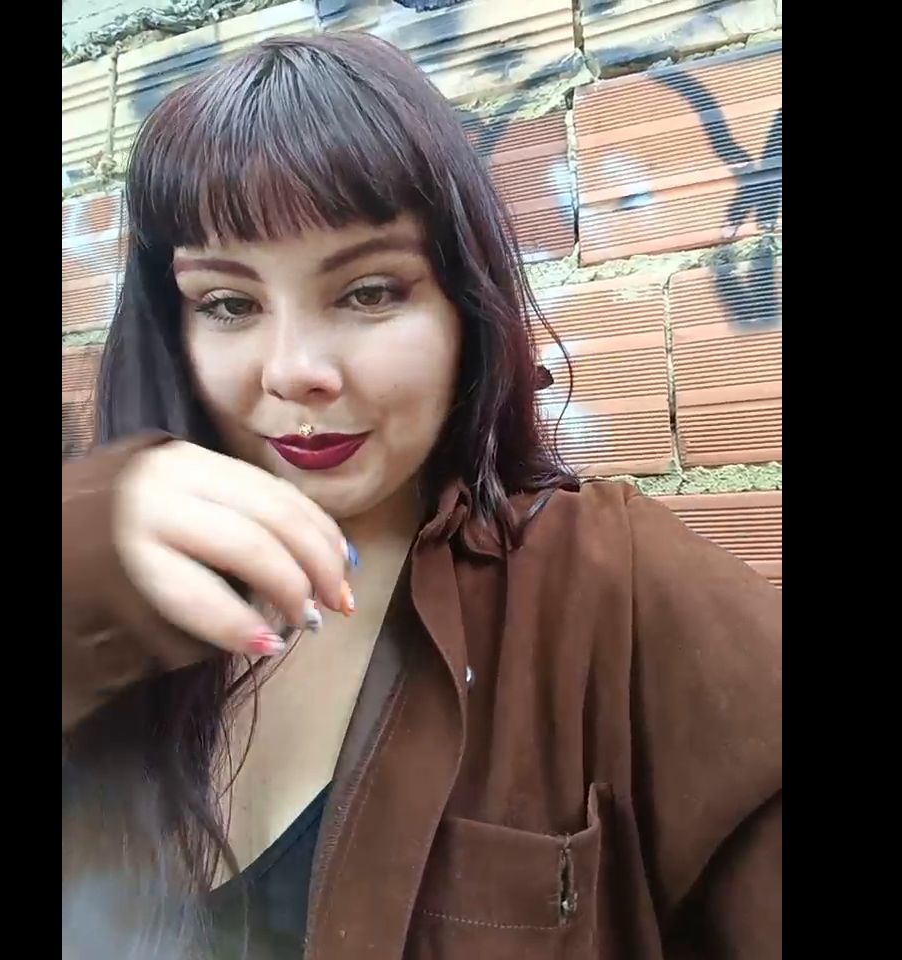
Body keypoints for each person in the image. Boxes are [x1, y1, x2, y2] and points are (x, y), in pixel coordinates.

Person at [61, 32, 782, 960]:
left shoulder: (611, 590)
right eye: (230, 304)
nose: (295, 370)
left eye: (368, 292)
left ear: (463, 305)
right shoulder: (114, 591)